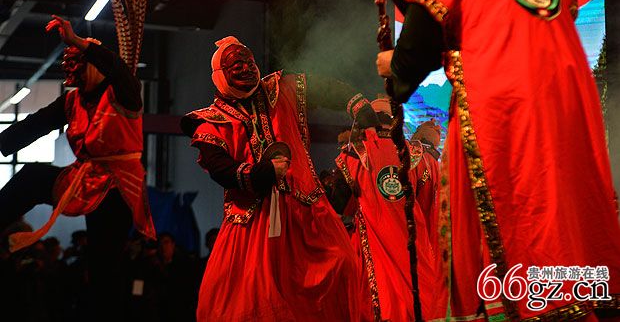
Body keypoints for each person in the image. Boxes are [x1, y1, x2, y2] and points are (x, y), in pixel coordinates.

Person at [376, 0, 620, 320]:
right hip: (568, 111)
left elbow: (412, 60)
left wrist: (392, 65)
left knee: (509, 217)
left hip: (500, 115)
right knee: (565, 210)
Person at [180, 36, 378, 322]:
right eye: (237, 65)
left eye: (249, 61)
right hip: (253, 221)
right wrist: (261, 173)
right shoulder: (212, 120)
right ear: (221, 74)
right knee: (249, 297)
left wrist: (357, 104)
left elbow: (325, 88)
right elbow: (219, 168)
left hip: (306, 211)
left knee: (342, 265)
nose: (247, 68)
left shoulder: (279, 88)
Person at [0, 16, 155, 320]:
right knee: (32, 177)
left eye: (77, 63)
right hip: (85, 176)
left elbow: (118, 68)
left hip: (119, 186)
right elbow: (35, 124)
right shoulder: (72, 101)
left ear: (93, 65)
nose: (70, 71)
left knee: (103, 265)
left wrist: (77, 41)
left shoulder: (123, 92)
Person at [334, 97, 436, 321]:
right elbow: (427, 204)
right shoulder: (417, 154)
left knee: (382, 304)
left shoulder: (355, 153)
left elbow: (340, 204)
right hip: (414, 247)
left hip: (375, 249)